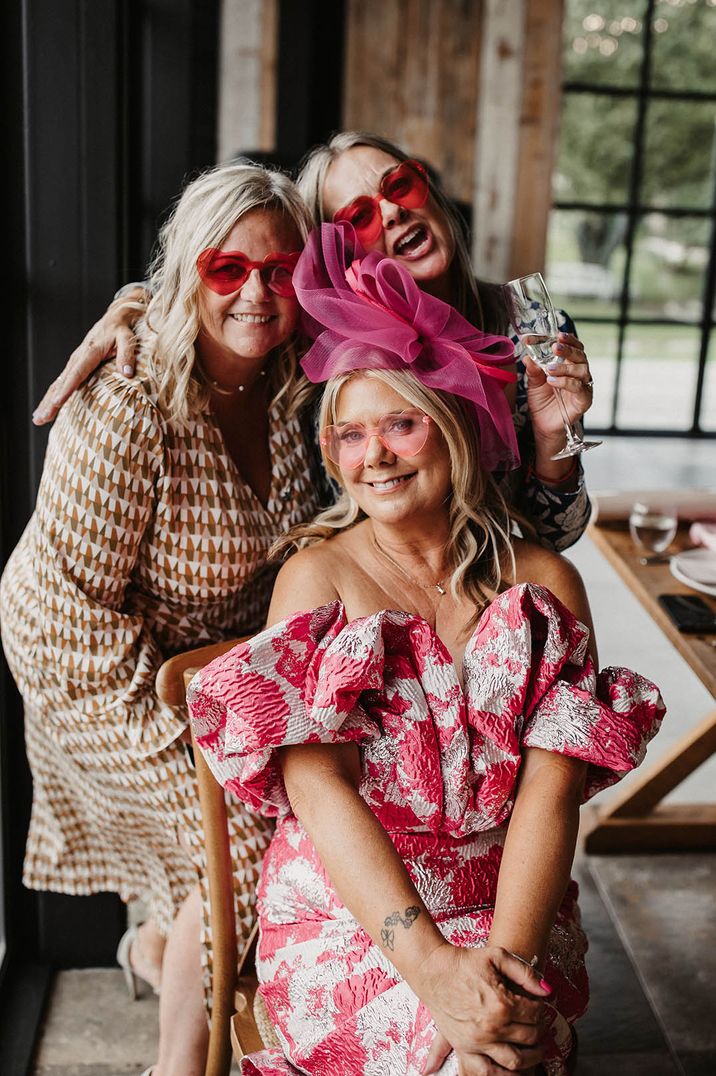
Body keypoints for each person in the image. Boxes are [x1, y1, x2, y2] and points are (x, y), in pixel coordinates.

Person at [187, 225, 664, 1076]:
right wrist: (431, 966)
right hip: (353, 913)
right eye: (349, 436)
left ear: (453, 427)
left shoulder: (544, 583)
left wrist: (503, 975)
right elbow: (316, 785)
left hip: (509, 906)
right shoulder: (317, 577)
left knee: (494, 1046)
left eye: (400, 425)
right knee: (467, 1062)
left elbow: (552, 800)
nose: (373, 457)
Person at [0, 162, 326, 1076]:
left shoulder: (295, 388)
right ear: (191, 273)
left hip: (202, 657)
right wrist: (185, 734)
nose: (257, 292)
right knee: (240, 829)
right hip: (81, 651)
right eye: (228, 269)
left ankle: (157, 952)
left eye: (280, 269)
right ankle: (181, 1065)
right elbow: (71, 600)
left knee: (274, 801)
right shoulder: (134, 398)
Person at [31, 132, 593, 553]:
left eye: (400, 185)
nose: (393, 211)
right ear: (338, 255)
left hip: (489, 584)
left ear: (432, 194)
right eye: (360, 216)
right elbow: (215, 287)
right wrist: (130, 304)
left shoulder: (532, 330)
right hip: (362, 591)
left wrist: (553, 443)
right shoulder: (328, 341)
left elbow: (557, 537)